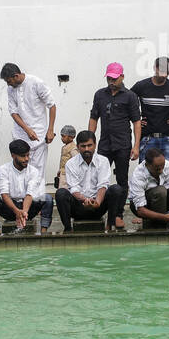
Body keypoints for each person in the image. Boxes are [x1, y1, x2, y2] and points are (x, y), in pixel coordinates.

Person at [89, 62, 141, 226]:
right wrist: (90, 142)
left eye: (114, 78)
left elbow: (136, 122)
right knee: (97, 177)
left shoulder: (130, 96)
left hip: (123, 144)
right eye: (109, 78)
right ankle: (96, 210)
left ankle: (118, 214)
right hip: (104, 144)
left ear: (122, 77)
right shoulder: (99, 95)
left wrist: (136, 145)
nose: (111, 81)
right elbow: (93, 118)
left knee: (122, 180)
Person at [56, 130, 124, 232]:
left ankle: (110, 226)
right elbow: (74, 188)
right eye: (83, 146)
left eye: (89, 145)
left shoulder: (103, 161)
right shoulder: (71, 163)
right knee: (61, 193)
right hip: (79, 206)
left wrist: (97, 202)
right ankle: (68, 229)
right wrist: (85, 200)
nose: (87, 149)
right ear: (78, 147)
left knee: (116, 189)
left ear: (95, 145)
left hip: (98, 206)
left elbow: (103, 185)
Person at [1, 64, 57, 184]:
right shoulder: (10, 89)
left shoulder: (36, 83)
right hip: (20, 136)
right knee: (20, 172)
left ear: (16, 76)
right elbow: (13, 112)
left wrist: (50, 130)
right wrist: (27, 130)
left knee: (37, 171)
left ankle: (36, 200)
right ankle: (21, 199)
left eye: (9, 81)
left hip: (39, 136)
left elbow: (52, 105)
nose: (8, 84)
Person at [0, 139, 54, 236]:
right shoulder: (3, 169)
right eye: (23, 156)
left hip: (28, 207)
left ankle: (43, 232)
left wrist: (23, 213)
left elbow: (29, 194)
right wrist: (17, 212)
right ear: (13, 155)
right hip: (10, 208)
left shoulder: (34, 171)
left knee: (48, 199)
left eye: (28, 155)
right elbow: (4, 195)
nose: (27, 159)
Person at [132, 57, 169, 166]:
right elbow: (127, 102)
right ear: (155, 67)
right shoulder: (141, 86)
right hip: (147, 138)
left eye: (167, 69)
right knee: (145, 172)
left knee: (168, 172)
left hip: (167, 137)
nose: (164, 71)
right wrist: (137, 120)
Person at [127, 148, 169, 229]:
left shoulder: (166, 165)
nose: (161, 170)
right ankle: (159, 227)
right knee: (160, 191)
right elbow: (140, 210)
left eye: (163, 166)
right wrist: (165, 218)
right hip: (141, 207)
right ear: (147, 165)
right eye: (157, 168)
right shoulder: (138, 175)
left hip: (161, 199)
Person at [56, 125, 77, 189]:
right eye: (61, 136)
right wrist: (60, 170)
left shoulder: (73, 148)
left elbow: (76, 160)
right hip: (62, 174)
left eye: (63, 136)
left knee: (65, 190)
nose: (62, 138)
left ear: (71, 137)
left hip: (68, 175)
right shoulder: (65, 147)